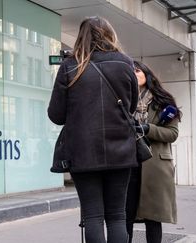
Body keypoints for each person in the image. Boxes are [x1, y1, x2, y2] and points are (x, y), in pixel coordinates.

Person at [48, 16, 139, 243]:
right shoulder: (125, 63)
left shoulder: (70, 66)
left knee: (93, 215)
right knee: (118, 215)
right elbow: (132, 107)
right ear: (110, 34)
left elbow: (56, 115)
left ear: (81, 37)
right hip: (121, 149)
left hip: (83, 152)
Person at [126, 61, 180, 243]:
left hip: (155, 165)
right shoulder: (123, 98)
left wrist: (147, 128)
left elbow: (172, 134)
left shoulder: (163, 101)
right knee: (126, 215)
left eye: (137, 70)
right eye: (130, 71)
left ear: (147, 74)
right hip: (128, 162)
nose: (134, 73)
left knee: (153, 218)